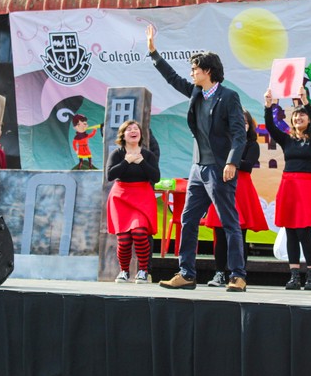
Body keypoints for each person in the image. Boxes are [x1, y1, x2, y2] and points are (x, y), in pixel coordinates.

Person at [146, 24, 248, 292]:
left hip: (219, 168)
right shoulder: (196, 92)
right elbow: (172, 78)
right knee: (188, 220)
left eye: (195, 69)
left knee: (229, 222)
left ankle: (238, 275)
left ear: (208, 71)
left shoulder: (228, 97)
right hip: (198, 169)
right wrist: (154, 53)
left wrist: (232, 162)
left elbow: (240, 134)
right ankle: (186, 273)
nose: (191, 73)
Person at [264, 86, 311, 291]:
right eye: (296, 115)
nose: (298, 117)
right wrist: (268, 106)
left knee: (304, 232)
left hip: (307, 188)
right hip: (289, 186)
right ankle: (294, 276)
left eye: (302, 115)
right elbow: (271, 127)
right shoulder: (287, 139)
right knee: (290, 231)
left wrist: (306, 103)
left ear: (308, 119)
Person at [204, 109, 268, 287]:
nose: (242, 125)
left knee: (239, 235)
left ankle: (238, 275)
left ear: (249, 126)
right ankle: (219, 273)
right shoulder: (222, 142)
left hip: (242, 190)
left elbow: (247, 166)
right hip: (222, 186)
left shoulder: (251, 145)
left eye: (245, 122)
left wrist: (229, 161)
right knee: (220, 234)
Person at [106, 120, 160, 284]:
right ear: (123, 135)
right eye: (129, 129)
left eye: (136, 129)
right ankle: (124, 271)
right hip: (121, 197)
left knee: (140, 233)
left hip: (142, 196)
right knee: (124, 239)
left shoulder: (148, 155)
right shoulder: (117, 154)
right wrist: (127, 161)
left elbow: (155, 177)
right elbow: (110, 175)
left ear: (140, 135)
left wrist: (141, 162)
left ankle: (143, 270)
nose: (133, 131)